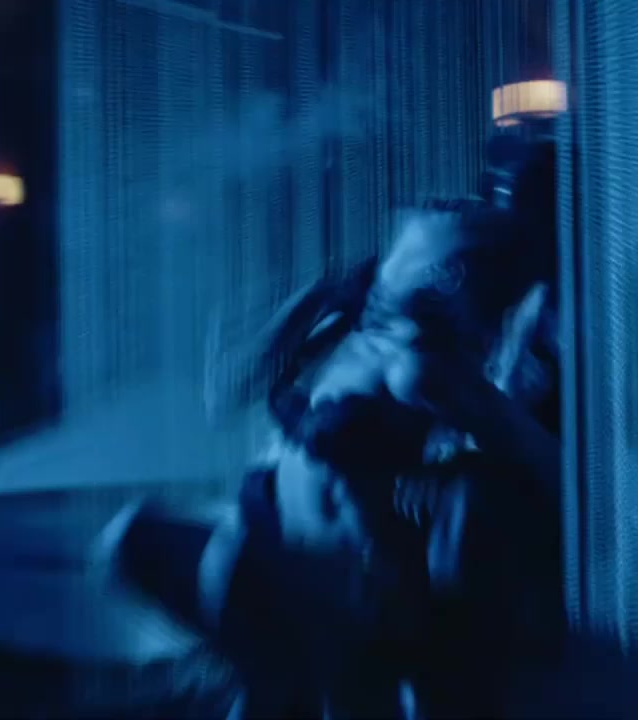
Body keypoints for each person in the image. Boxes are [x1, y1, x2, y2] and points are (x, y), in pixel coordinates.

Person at [96, 142, 563, 718]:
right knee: (126, 538)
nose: (438, 201)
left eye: (451, 210)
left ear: (447, 272)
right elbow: (225, 392)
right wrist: (324, 292)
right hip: (260, 544)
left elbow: (548, 465)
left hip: (325, 590)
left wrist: (456, 481)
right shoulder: (354, 328)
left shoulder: (419, 368)